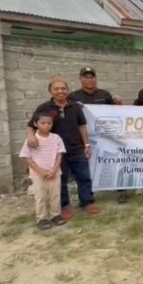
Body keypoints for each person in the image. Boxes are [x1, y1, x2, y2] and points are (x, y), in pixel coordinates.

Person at [27, 76, 98, 220]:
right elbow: (31, 125)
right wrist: (30, 136)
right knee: (61, 180)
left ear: (68, 90)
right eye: (56, 89)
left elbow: (82, 126)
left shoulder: (75, 107)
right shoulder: (44, 108)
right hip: (56, 153)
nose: (60, 91)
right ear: (50, 91)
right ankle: (65, 205)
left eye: (63, 88)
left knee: (84, 177)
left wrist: (86, 144)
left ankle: (87, 202)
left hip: (76, 148)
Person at [69, 67, 129, 204]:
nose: (89, 80)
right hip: (84, 136)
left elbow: (115, 112)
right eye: (86, 77)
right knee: (86, 166)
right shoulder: (73, 96)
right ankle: (88, 195)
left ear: (95, 79)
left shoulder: (105, 94)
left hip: (105, 136)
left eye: (92, 77)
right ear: (80, 79)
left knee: (114, 161)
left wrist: (119, 103)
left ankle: (121, 190)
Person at [19, 111, 67, 230]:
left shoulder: (56, 138)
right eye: (43, 123)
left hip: (54, 173)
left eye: (49, 123)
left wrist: (54, 170)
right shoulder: (32, 140)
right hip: (38, 175)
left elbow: (60, 154)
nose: (46, 125)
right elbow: (27, 157)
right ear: (36, 124)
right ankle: (42, 218)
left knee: (55, 195)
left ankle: (55, 215)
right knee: (40, 197)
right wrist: (40, 171)